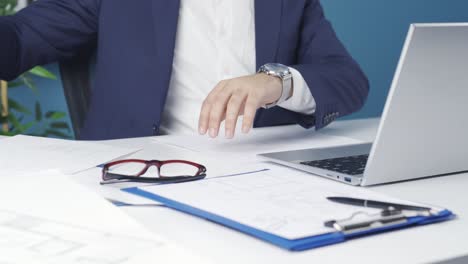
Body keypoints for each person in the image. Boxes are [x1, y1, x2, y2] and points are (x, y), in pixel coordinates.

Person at [0, 0, 369, 140]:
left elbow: (348, 79)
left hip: (264, 177)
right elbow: (19, 39)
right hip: (141, 175)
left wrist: (276, 82)